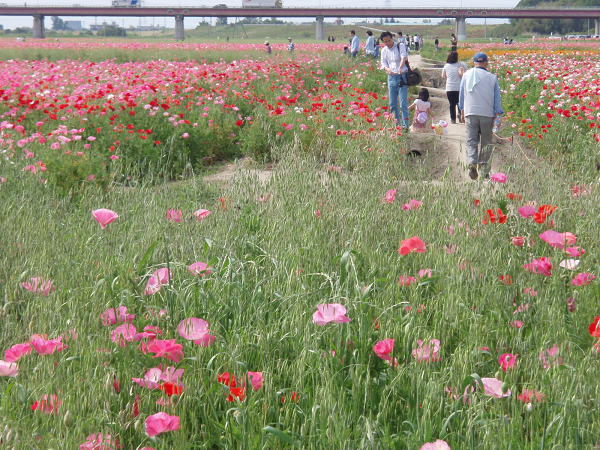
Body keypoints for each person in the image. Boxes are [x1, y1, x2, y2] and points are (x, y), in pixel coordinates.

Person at [459, 52, 504, 180]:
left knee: (471, 141)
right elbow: (496, 99)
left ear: (473, 63)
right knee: (486, 143)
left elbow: (461, 95)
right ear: (486, 63)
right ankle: (484, 169)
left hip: (470, 113)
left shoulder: (466, 75)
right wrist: (497, 114)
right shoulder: (492, 77)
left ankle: (472, 162)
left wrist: (461, 111)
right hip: (487, 114)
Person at [380, 30, 409, 129]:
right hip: (391, 77)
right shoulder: (384, 50)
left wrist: (400, 67)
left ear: (392, 38)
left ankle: (406, 126)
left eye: (389, 40)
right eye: (385, 41)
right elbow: (383, 63)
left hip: (402, 76)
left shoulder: (400, 46)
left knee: (403, 103)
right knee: (392, 104)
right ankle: (397, 125)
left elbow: (403, 58)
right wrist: (388, 69)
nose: (387, 43)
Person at [442, 51, 468, 124]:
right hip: (459, 87)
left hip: (450, 88)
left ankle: (453, 119)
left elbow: (443, 76)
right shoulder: (461, 64)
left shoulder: (446, 66)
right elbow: (467, 73)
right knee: (460, 103)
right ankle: (460, 114)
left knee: (451, 104)